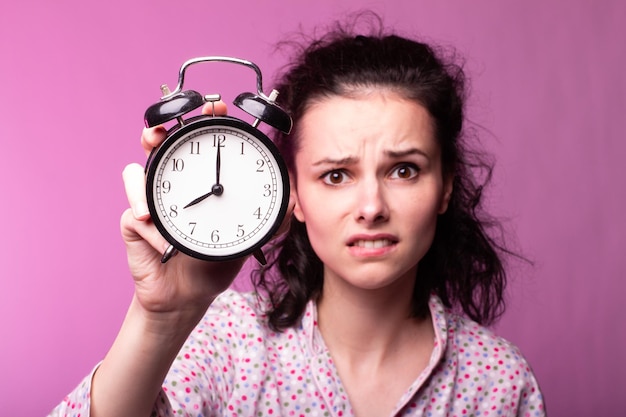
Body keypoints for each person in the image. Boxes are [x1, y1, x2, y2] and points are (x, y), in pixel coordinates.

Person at [50, 15, 545, 417]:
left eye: (403, 170)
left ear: (446, 185)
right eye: (335, 175)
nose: (371, 208)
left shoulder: (498, 381)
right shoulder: (226, 343)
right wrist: (162, 315)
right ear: (293, 196)